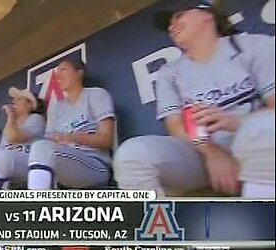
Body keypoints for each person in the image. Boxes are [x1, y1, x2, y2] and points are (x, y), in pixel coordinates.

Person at [114, 0, 275, 198]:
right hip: (202, 154)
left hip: (255, 142)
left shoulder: (255, 45)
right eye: (169, 24)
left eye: (179, 16)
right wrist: (212, 152)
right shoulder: (168, 73)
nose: (172, 26)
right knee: (131, 154)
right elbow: (175, 126)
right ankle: (158, 225)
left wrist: (239, 123)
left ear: (206, 15)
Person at [26, 58, 115, 189]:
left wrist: (72, 137)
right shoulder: (57, 107)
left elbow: (106, 139)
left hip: (95, 164)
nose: (58, 75)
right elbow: (50, 139)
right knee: (40, 148)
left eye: (63, 69)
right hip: (66, 160)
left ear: (79, 73)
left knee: (42, 148)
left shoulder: (96, 94)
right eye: (56, 73)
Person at [0, 87, 46, 190]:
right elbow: (1, 150)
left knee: (3, 158)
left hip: (30, 163)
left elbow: (13, 137)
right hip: (10, 166)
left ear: (30, 105)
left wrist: (10, 116)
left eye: (19, 99)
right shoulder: (10, 124)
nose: (13, 102)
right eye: (14, 99)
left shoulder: (36, 118)